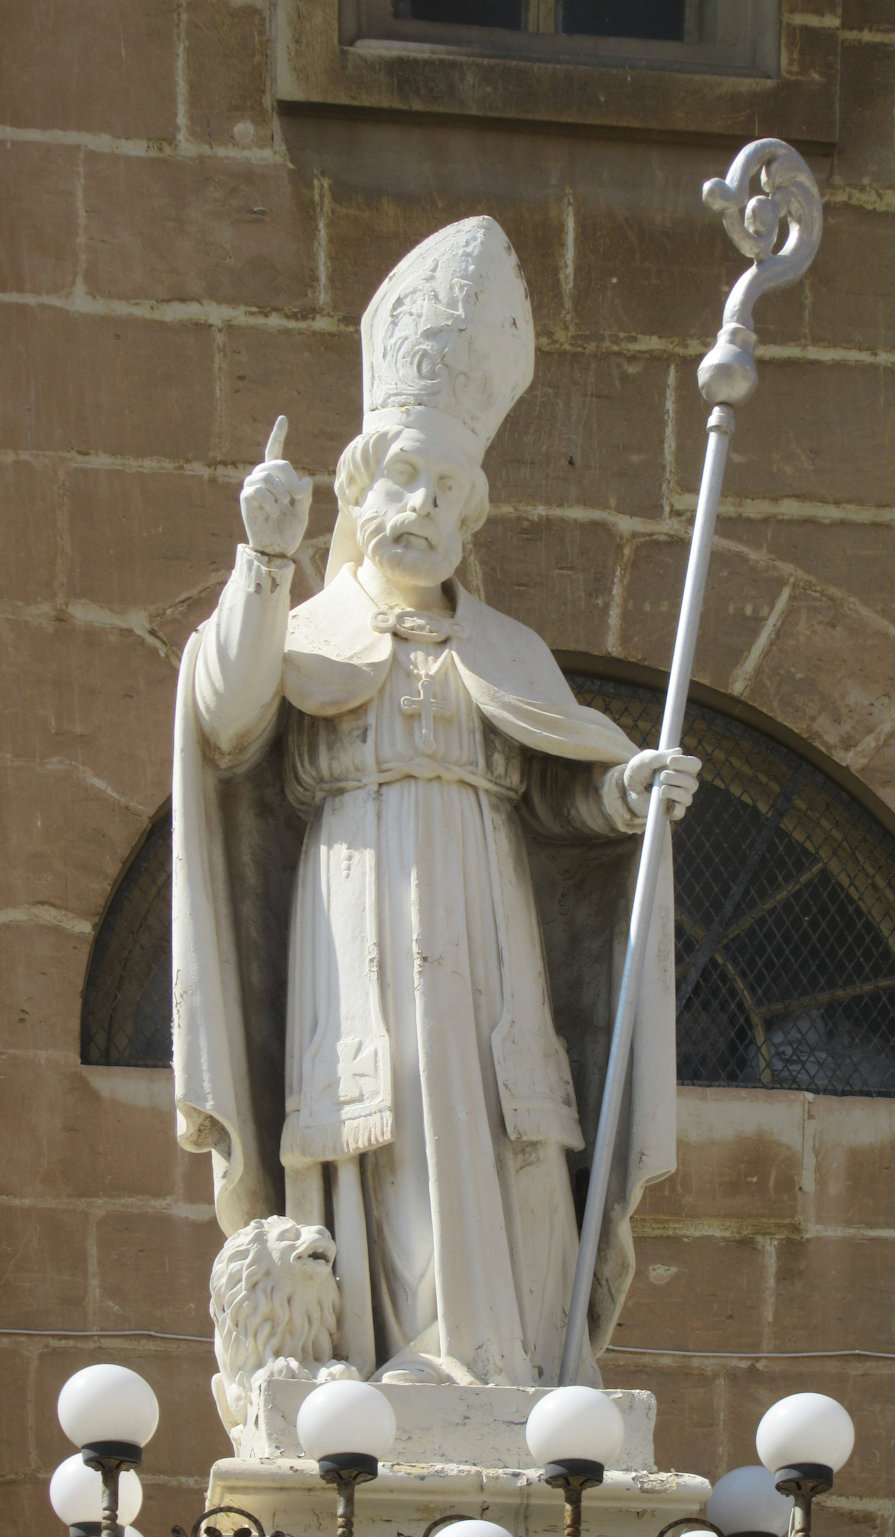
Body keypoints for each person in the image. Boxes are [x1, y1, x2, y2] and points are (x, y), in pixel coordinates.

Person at [172, 217, 699, 1386]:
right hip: (354, 898)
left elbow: (554, 796)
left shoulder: (508, 652)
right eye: (398, 473)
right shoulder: (308, 629)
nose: (418, 499)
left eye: (444, 486)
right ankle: (384, 1355)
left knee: (501, 1111)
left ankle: (505, 1365)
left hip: (488, 909)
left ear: (469, 518)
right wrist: (262, 560)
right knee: (393, 1101)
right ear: (357, 490)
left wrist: (622, 793)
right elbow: (224, 712)